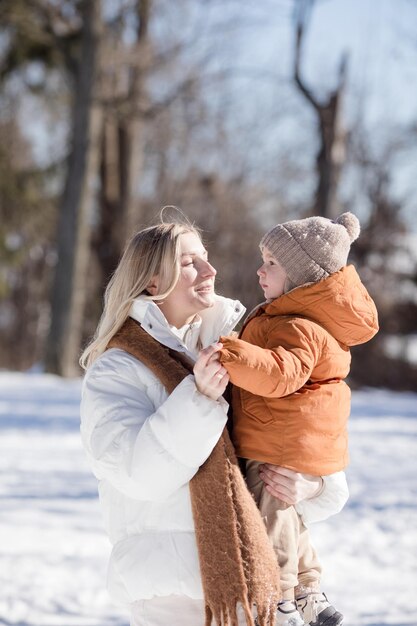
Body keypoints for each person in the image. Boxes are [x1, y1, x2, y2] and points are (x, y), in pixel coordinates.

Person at [79, 216, 350, 626]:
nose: (210, 271)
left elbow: (302, 426)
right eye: (190, 263)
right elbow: (139, 474)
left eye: (206, 259)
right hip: (172, 601)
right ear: (153, 282)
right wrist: (200, 397)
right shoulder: (117, 370)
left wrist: (313, 485)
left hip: (258, 592)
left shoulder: (246, 348)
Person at [218, 212, 379, 626]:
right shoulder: (301, 320)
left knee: (270, 514)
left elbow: (280, 374)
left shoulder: (295, 325)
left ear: (303, 276)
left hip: (277, 442)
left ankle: (281, 596)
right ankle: (309, 590)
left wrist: (231, 353)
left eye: (272, 262)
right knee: (288, 515)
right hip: (290, 439)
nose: (260, 270)